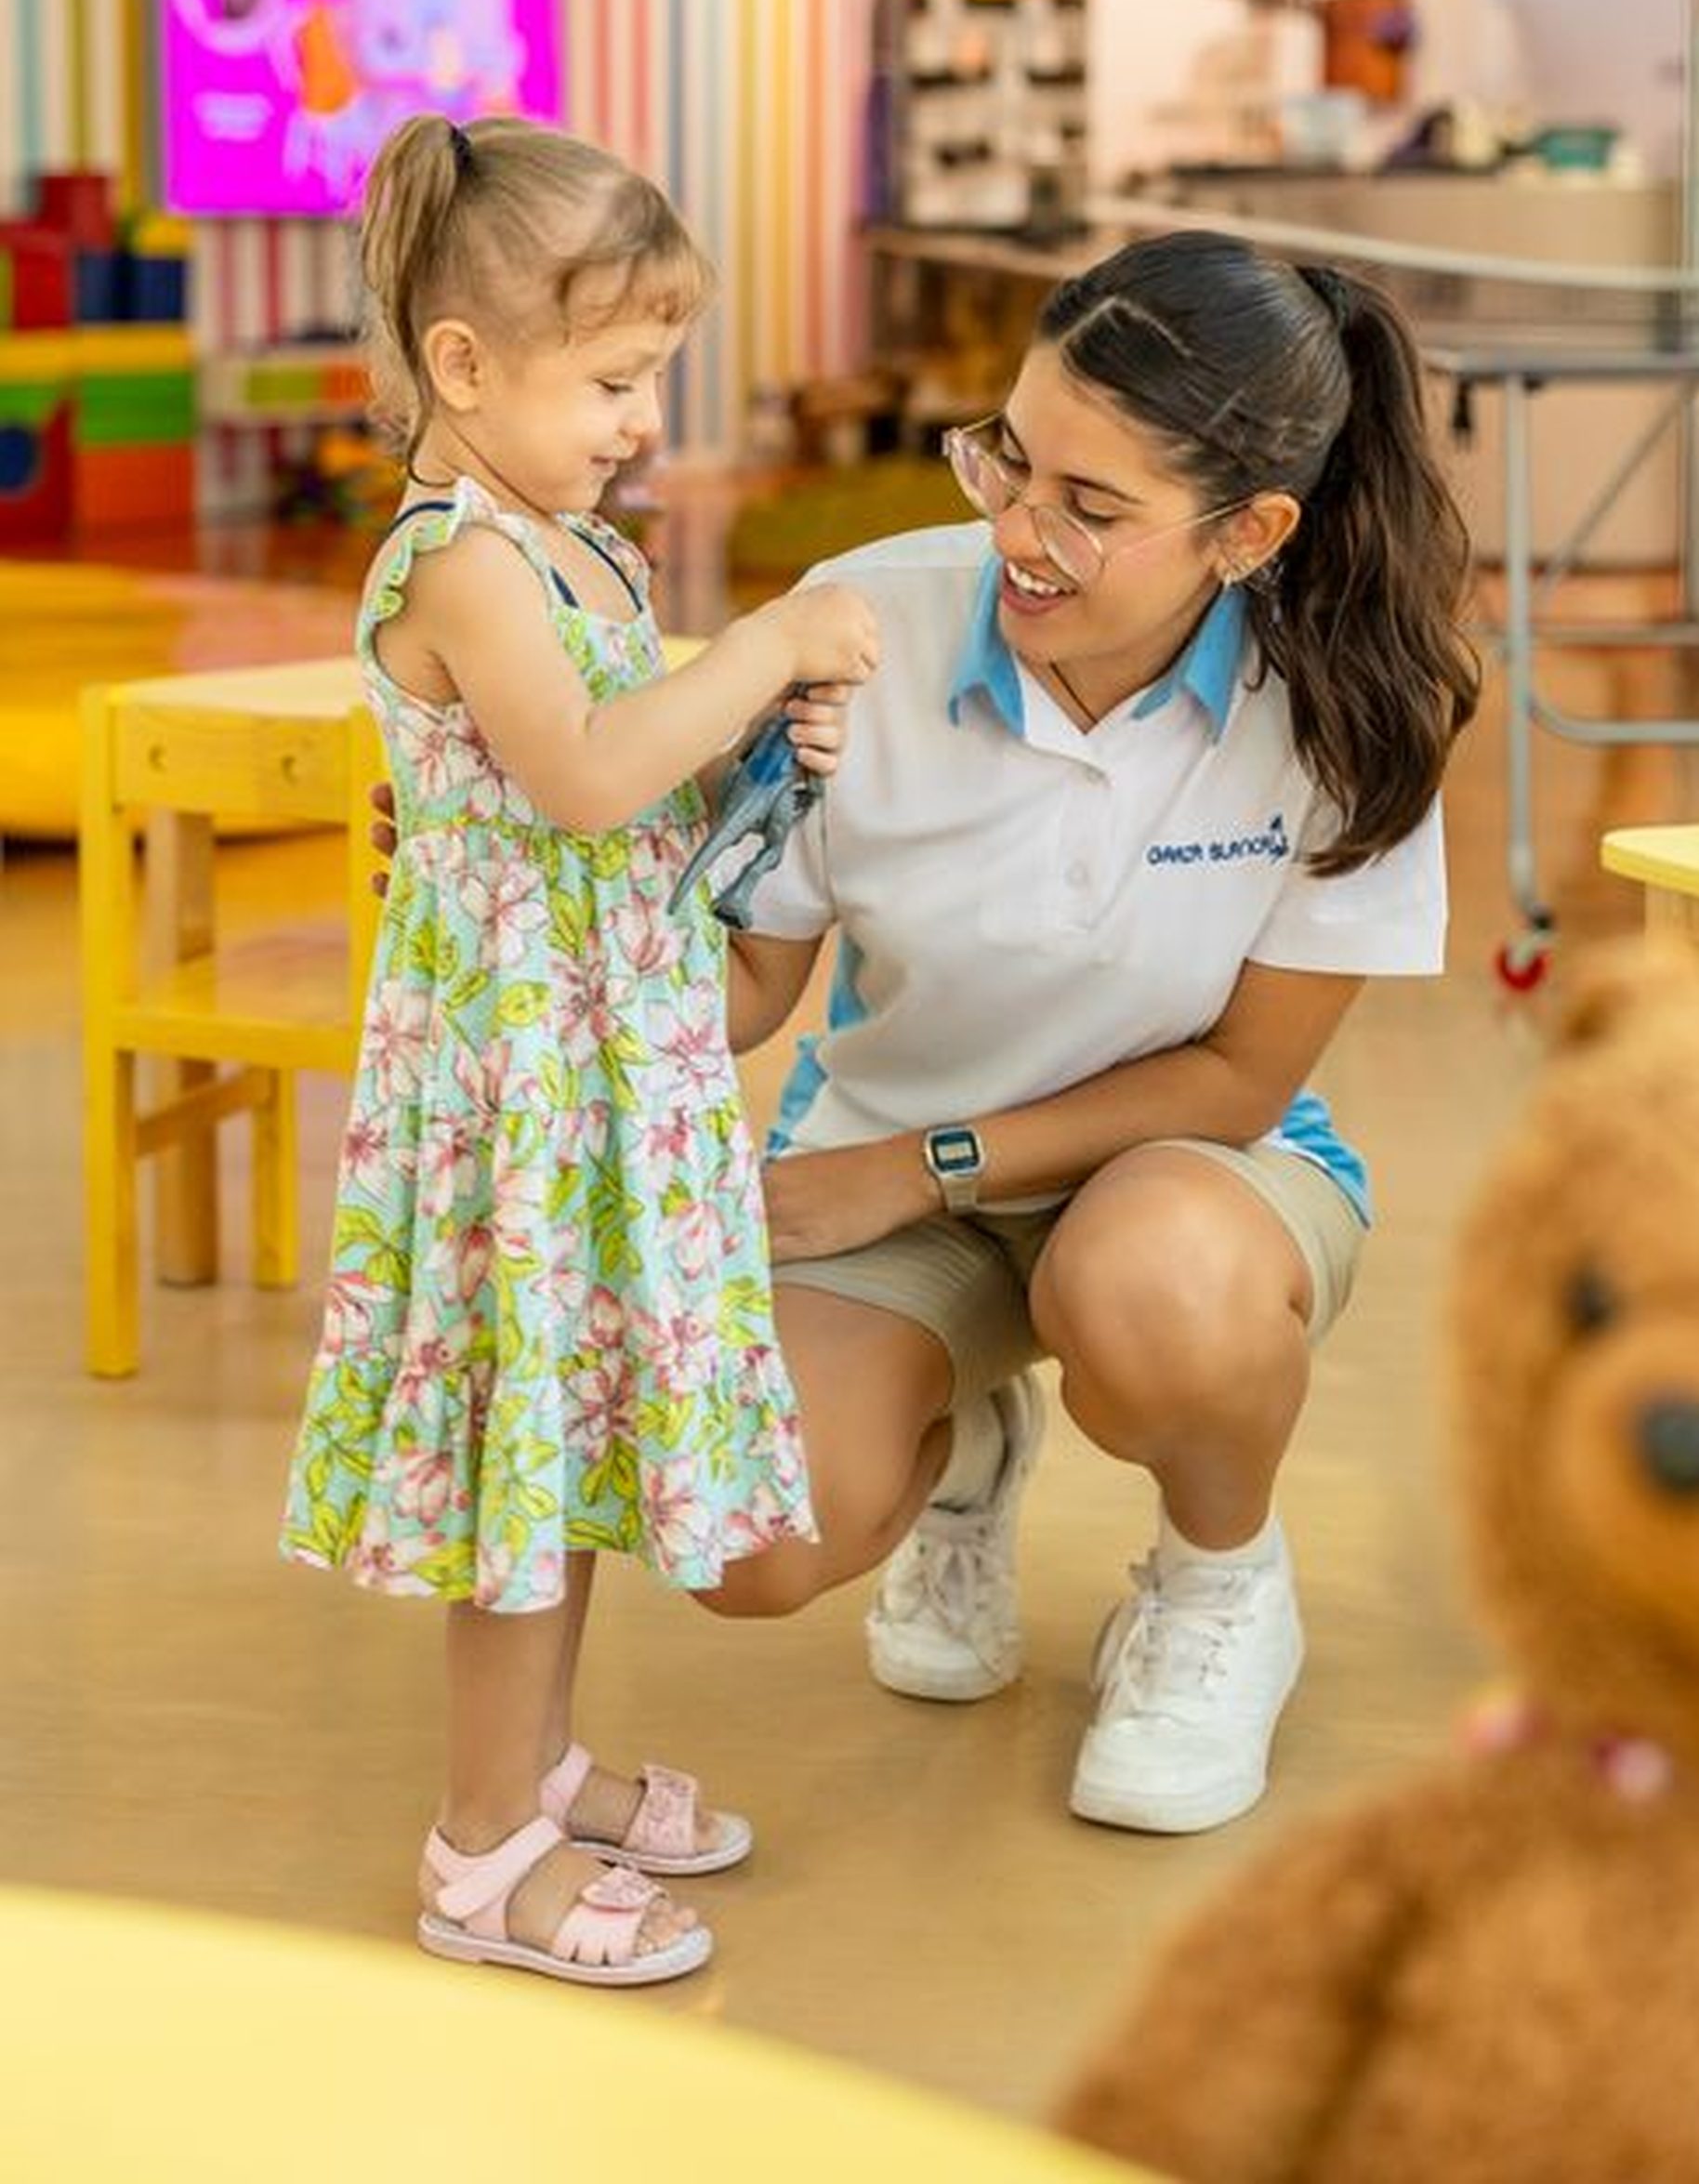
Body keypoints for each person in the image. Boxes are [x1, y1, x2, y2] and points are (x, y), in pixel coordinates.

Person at [698, 227, 1480, 1838]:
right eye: (1010, 462)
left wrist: (922, 1167)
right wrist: (533, 911)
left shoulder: (1353, 714)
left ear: (1252, 530)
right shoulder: (859, 624)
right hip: (881, 1181)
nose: (1019, 537)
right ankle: (964, 1436)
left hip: (1193, 1174)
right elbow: (753, 976)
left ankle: (1217, 1585)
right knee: (744, 1547)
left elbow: (1246, 1076)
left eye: (1092, 508)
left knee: (1145, 1287)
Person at [279, 112, 879, 1986]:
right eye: (615, 378)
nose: (643, 418)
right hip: (519, 1097)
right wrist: (771, 640)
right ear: (464, 370)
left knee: (576, 1441)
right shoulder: (461, 563)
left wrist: (770, 747)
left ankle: (536, 1768)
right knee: (515, 1474)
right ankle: (481, 1852)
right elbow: (586, 771)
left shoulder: (587, 556)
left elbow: (655, 774)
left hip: (610, 1074)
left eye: (653, 376)